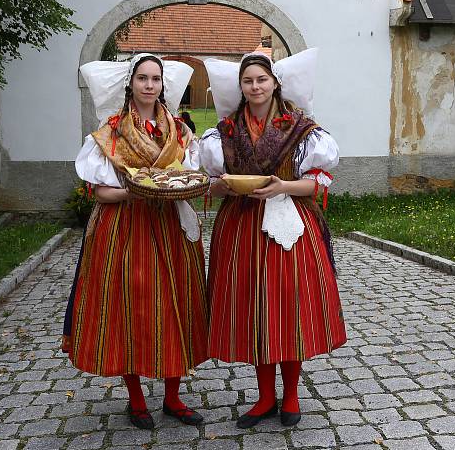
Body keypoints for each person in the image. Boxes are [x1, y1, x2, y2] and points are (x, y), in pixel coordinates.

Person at [200, 51, 346, 428]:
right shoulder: (225, 131)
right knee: (254, 311)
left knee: (288, 309)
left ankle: (292, 394)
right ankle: (265, 397)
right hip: (241, 226)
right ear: (241, 87)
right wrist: (226, 188)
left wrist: (285, 186)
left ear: (275, 83)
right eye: (248, 81)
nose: (255, 87)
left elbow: (318, 182)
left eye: (261, 80)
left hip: (289, 227)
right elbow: (213, 185)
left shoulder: (302, 128)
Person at [63, 54, 208, 430]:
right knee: (131, 308)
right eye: (142, 78)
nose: (149, 85)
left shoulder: (179, 130)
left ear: (163, 84)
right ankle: (137, 400)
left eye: (155, 79)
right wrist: (136, 192)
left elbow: (190, 175)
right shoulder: (110, 133)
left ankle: (174, 398)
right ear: (130, 84)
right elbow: (100, 194)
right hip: (125, 228)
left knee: (177, 303)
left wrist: (170, 188)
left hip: (171, 226)